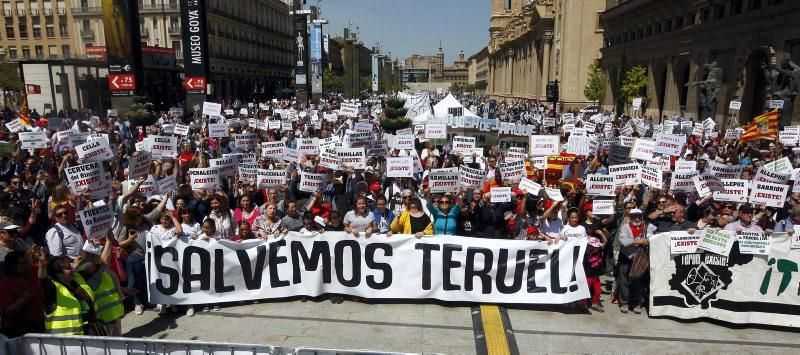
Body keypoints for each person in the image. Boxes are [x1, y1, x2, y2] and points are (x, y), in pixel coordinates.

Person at [0, 250, 44, 337]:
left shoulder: (34, 272)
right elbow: (7, 312)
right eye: (23, 264)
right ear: (12, 267)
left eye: (27, 262)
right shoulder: (5, 284)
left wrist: (43, 263)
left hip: (38, 326)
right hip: (16, 331)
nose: (27, 265)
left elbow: (44, 278)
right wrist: (23, 299)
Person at [616, 208, 648, 314]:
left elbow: (651, 239)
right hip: (626, 258)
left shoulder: (647, 227)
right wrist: (640, 241)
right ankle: (624, 303)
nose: (637, 219)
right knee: (624, 281)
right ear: (630, 218)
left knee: (638, 282)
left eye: (639, 216)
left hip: (640, 259)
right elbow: (623, 241)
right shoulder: (625, 227)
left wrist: (645, 241)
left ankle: (636, 303)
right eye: (634, 217)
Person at [584, 237, 605, 313]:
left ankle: (594, 304)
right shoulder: (584, 255)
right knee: (585, 291)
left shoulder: (599, 252)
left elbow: (605, 243)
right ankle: (584, 305)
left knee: (598, 291)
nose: (597, 248)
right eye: (595, 247)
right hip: (587, 276)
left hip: (596, 276)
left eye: (598, 247)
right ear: (590, 247)